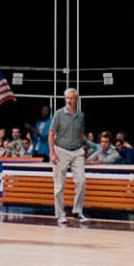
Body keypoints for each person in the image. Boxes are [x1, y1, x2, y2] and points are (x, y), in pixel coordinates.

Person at [47, 88, 88, 224]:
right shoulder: (59, 114)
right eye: (67, 98)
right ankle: (60, 214)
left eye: (71, 98)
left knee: (81, 181)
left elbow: (81, 134)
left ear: (76, 99)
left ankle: (77, 211)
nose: (69, 100)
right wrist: (52, 153)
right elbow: (51, 134)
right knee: (59, 184)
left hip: (77, 151)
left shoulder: (81, 115)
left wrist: (85, 147)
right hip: (61, 150)